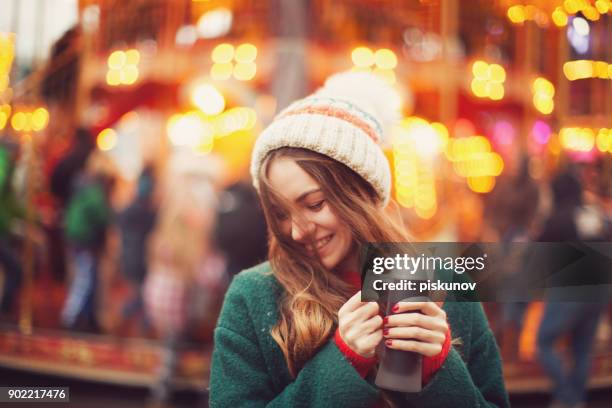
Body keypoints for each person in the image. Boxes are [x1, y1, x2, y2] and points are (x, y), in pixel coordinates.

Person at [209, 72, 509, 407]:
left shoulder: (446, 284)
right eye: (280, 214)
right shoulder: (254, 295)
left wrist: (438, 368)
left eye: (315, 204)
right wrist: (342, 363)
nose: (297, 231)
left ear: (359, 192)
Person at [536, 167, 608, 408]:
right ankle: (576, 399)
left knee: (544, 341)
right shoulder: (594, 213)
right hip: (599, 288)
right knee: (582, 348)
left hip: (571, 288)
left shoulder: (558, 217)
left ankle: (566, 397)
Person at [61, 151, 114, 332]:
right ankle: (70, 316)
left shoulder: (83, 185)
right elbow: (102, 216)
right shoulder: (95, 190)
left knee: (88, 278)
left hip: (77, 237)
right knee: (84, 279)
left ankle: (88, 317)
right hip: (84, 239)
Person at [117, 165, 157, 335]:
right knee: (141, 292)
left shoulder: (128, 210)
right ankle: (139, 321)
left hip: (129, 255)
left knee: (137, 290)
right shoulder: (149, 213)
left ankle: (128, 317)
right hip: (141, 257)